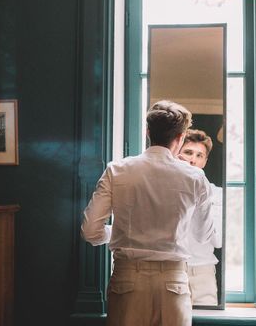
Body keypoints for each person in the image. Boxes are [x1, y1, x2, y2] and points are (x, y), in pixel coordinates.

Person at [81, 100, 216, 326]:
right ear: (181, 137)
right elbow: (203, 236)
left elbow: (90, 232)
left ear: (148, 132)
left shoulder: (117, 170)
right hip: (173, 283)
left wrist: (119, 230)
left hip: (127, 281)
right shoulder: (195, 178)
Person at [178, 129, 223, 306]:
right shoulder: (166, 190)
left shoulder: (217, 194)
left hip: (203, 272)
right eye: (188, 152)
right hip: (170, 272)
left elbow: (217, 240)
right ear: (177, 154)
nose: (193, 160)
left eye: (199, 155)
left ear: (205, 161)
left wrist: (201, 199)